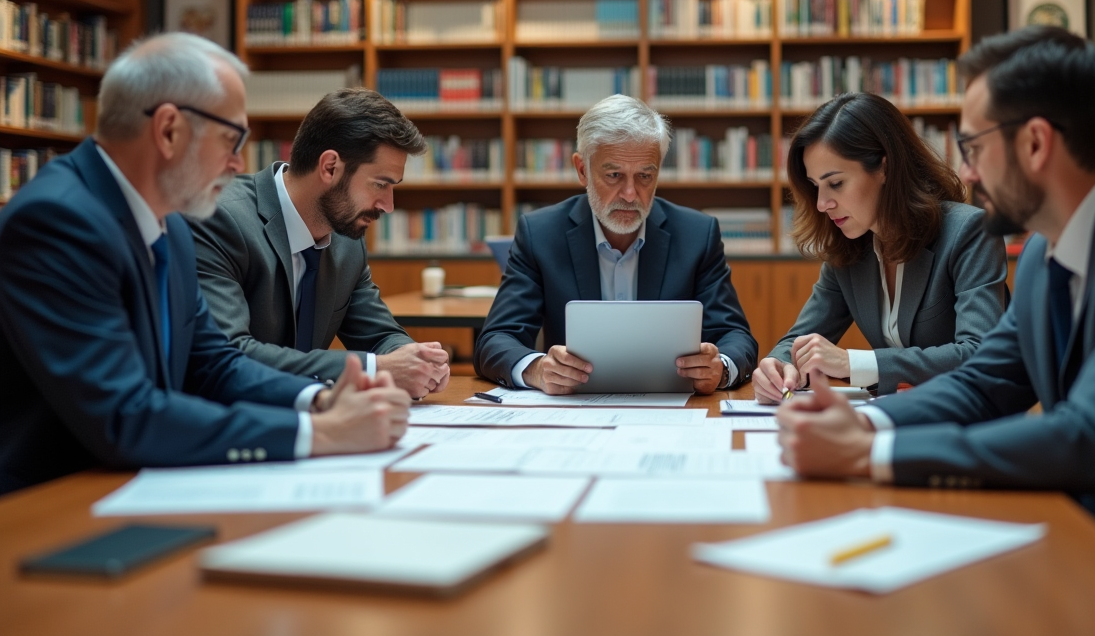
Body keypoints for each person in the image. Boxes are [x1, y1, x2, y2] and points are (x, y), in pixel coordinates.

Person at [776, 26, 1095, 595]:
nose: (966, 173)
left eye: (974, 148)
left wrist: (873, 452)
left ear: (1034, 144)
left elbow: (1088, 436)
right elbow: (985, 383)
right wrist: (865, 420)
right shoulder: (1052, 246)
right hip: (1078, 533)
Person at [0, 33, 410, 495]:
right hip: (49, 498)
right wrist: (321, 434)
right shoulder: (59, 221)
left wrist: (321, 401)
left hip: (136, 479)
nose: (238, 164)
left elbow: (213, 362)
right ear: (169, 130)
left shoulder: (171, 223)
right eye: (231, 139)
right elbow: (124, 414)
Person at [474, 94, 757, 394]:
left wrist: (721, 368)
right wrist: (537, 369)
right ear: (582, 169)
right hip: (575, 415)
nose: (631, 194)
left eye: (645, 176)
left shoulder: (697, 234)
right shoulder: (541, 234)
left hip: (672, 410)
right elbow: (495, 339)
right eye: (614, 175)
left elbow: (736, 337)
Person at [190, 88, 451, 399]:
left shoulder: (346, 239)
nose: (388, 205)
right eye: (380, 184)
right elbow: (230, 355)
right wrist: (376, 368)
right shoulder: (219, 219)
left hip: (319, 424)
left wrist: (414, 359)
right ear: (330, 167)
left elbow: (379, 334)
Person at [754, 92, 1008, 400]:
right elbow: (800, 339)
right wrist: (778, 366)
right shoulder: (847, 250)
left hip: (968, 426)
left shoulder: (968, 231)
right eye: (815, 186)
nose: (822, 204)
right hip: (895, 417)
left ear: (885, 168)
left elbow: (978, 353)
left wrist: (854, 363)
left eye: (835, 183)